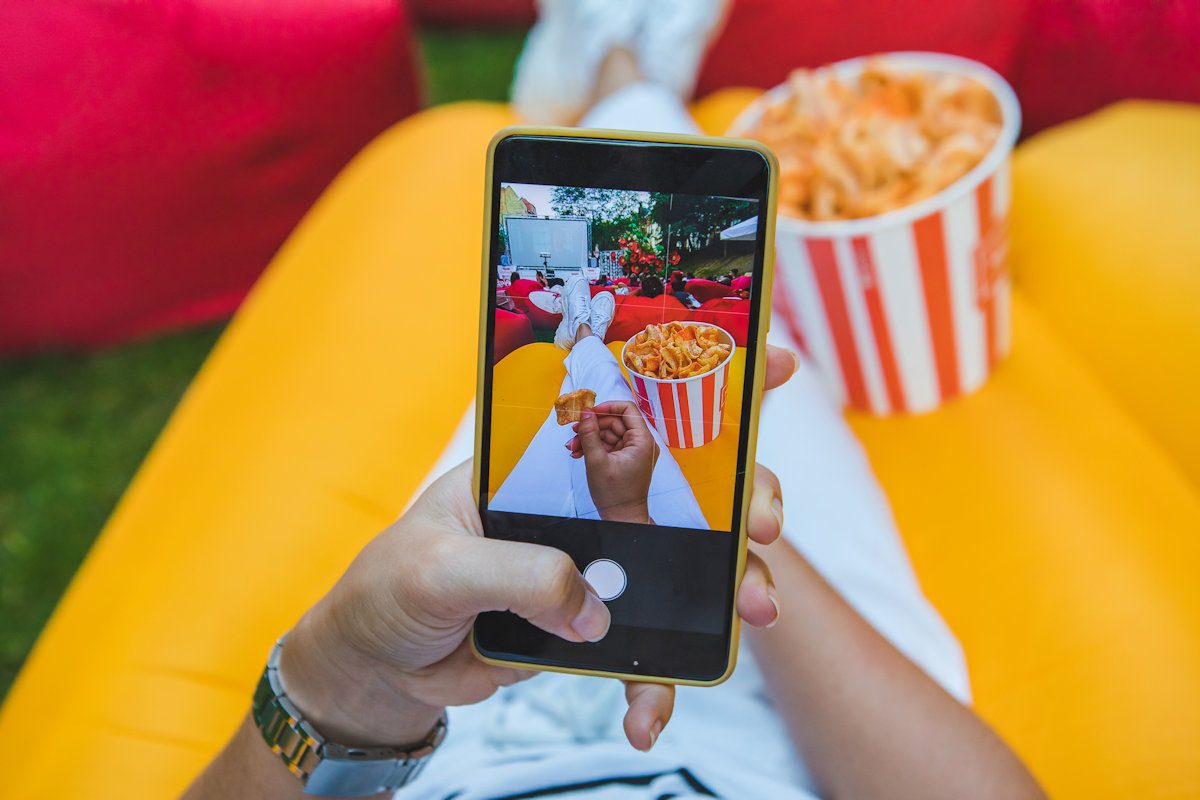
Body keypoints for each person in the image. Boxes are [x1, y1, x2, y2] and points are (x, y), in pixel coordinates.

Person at [186, 2, 1045, 798]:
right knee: (753, 437)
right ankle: (630, 69)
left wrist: (348, 673)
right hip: (778, 731)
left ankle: (609, 53)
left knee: (566, 427)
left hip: (464, 701)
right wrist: (695, 544)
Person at [491, 275, 706, 527]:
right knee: (619, 411)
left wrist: (625, 514)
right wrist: (632, 515)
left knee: (609, 388)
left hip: (526, 532)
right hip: (662, 538)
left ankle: (583, 331)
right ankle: (588, 336)